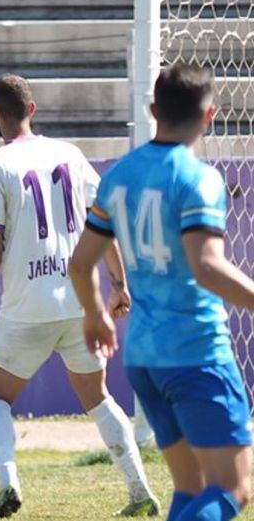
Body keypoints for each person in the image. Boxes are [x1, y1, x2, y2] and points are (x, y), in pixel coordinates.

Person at [0, 75, 158, 518]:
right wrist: (119, 283)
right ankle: (139, 491)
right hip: (79, 302)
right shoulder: (69, 155)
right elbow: (101, 221)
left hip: (26, 309)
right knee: (99, 398)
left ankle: (8, 483)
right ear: (33, 109)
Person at [70, 63, 253, 521]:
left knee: (191, 489)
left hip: (144, 358)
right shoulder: (198, 178)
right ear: (209, 116)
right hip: (196, 354)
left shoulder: (120, 175)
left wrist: (95, 313)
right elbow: (207, 267)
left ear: (153, 110)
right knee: (235, 486)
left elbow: (80, 262)